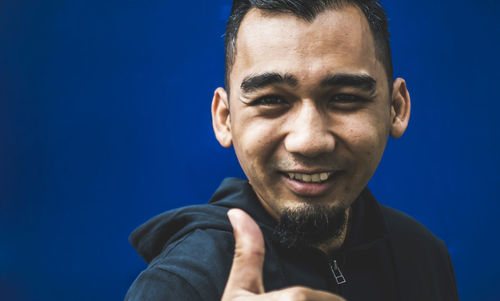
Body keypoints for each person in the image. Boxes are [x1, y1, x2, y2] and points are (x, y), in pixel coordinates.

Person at [125, 0, 459, 300]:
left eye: (344, 98)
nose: (309, 141)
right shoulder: (178, 287)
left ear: (396, 108)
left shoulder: (424, 256)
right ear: (225, 118)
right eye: (271, 100)